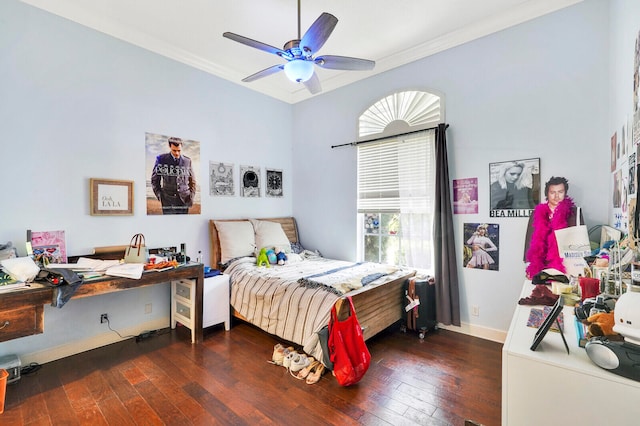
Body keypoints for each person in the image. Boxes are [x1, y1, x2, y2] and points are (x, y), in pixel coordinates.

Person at [524, 176, 583, 279]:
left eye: (560, 192)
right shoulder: (536, 213)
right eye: (552, 192)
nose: (556, 196)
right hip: (540, 264)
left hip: (565, 265)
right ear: (547, 194)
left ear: (565, 192)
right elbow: (530, 239)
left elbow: (581, 242)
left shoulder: (575, 213)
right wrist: (529, 265)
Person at [151, 137, 196, 214]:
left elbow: (193, 181)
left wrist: (191, 196)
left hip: (185, 200)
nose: (177, 153)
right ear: (169, 147)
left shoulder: (187, 161)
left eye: (179, 150)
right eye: (174, 150)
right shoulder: (161, 159)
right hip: (167, 200)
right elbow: (155, 180)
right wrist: (160, 196)